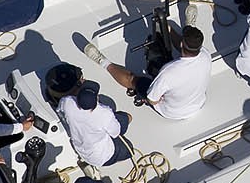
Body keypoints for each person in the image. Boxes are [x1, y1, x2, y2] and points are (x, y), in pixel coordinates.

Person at [84, 27, 212, 121]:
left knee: (133, 80)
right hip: (198, 104)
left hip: (172, 112)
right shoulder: (206, 55)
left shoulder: (168, 73)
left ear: (182, 43)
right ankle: (168, 28)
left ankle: (103, 62)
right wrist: (166, 27)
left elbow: (152, 99)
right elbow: (184, 49)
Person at [58, 80, 132, 177]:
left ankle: (86, 162)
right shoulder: (105, 113)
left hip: (81, 150)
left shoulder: (67, 102)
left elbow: (59, 110)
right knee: (128, 122)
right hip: (102, 157)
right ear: (97, 99)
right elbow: (115, 133)